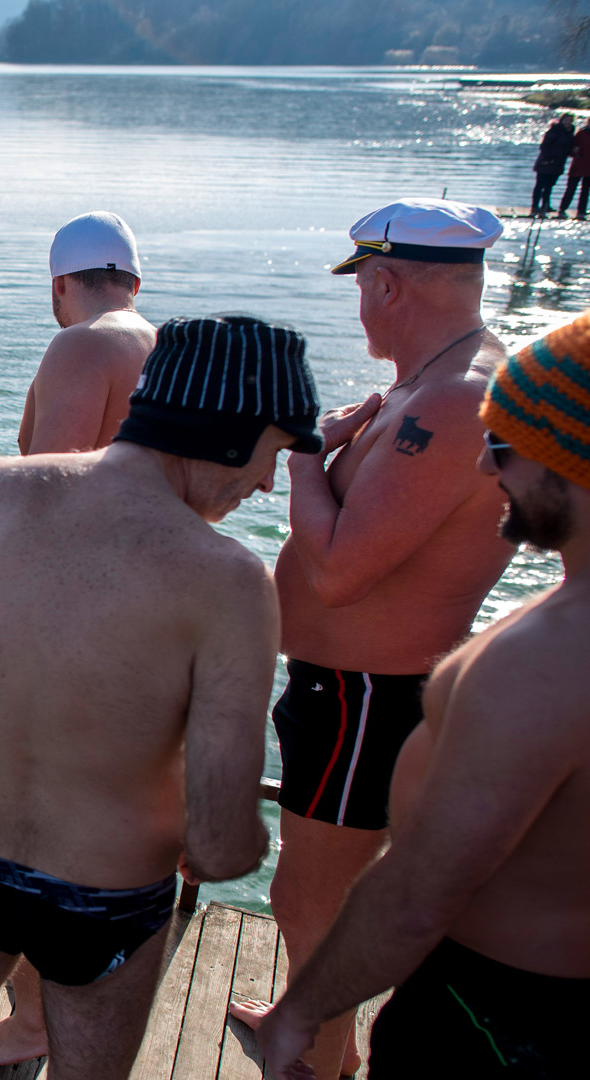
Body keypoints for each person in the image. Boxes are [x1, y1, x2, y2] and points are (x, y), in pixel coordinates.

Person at [0, 315, 319, 1080]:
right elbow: (224, 844)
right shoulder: (230, 579)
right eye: (276, 452)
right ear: (231, 432)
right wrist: (231, 840)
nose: (267, 480)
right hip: (107, 897)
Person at [254, 314, 590, 1078]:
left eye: (505, 448)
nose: (484, 473)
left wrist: (298, 1019)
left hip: (500, 1015)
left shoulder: (546, 662)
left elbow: (417, 894)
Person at [226, 199, 516, 1079]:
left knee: (311, 899)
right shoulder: (438, 383)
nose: (359, 307)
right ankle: (315, 1027)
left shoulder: (458, 398)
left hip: (365, 696)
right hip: (348, 690)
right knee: (320, 892)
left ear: (386, 283)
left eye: (362, 288)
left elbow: (344, 570)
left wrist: (307, 454)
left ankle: (320, 1061)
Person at [0, 211, 157, 1067]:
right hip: (148, 630)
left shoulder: (80, 348)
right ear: (134, 278)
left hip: (76, 632)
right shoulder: (164, 345)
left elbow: (44, 492)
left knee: (29, 833)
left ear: (60, 285)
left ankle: (33, 1020)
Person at [16, 212, 157, 456]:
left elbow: (46, 471)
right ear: (135, 285)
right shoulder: (169, 346)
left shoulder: (81, 343)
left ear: (58, 284)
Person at [532, 112, 574, 218]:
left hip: (558, 164)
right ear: (562, 120)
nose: (568, 122)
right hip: (545, 163)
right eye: (566, 120)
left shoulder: (570, 133)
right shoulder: (554, 131)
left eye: (570, 120)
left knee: (549, 186)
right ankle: (535, 206)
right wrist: (546, 159)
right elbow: (544, 146)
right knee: (540, 185)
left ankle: (546, 205)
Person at [562, 120, 590, 220]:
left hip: (588, 168)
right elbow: (572, 150)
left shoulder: (580, 133)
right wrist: (575, 153)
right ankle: (563, 208)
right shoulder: (580, 134)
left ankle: (581, 211)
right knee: (571, 189)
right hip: (578, 166)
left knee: (585, 191)